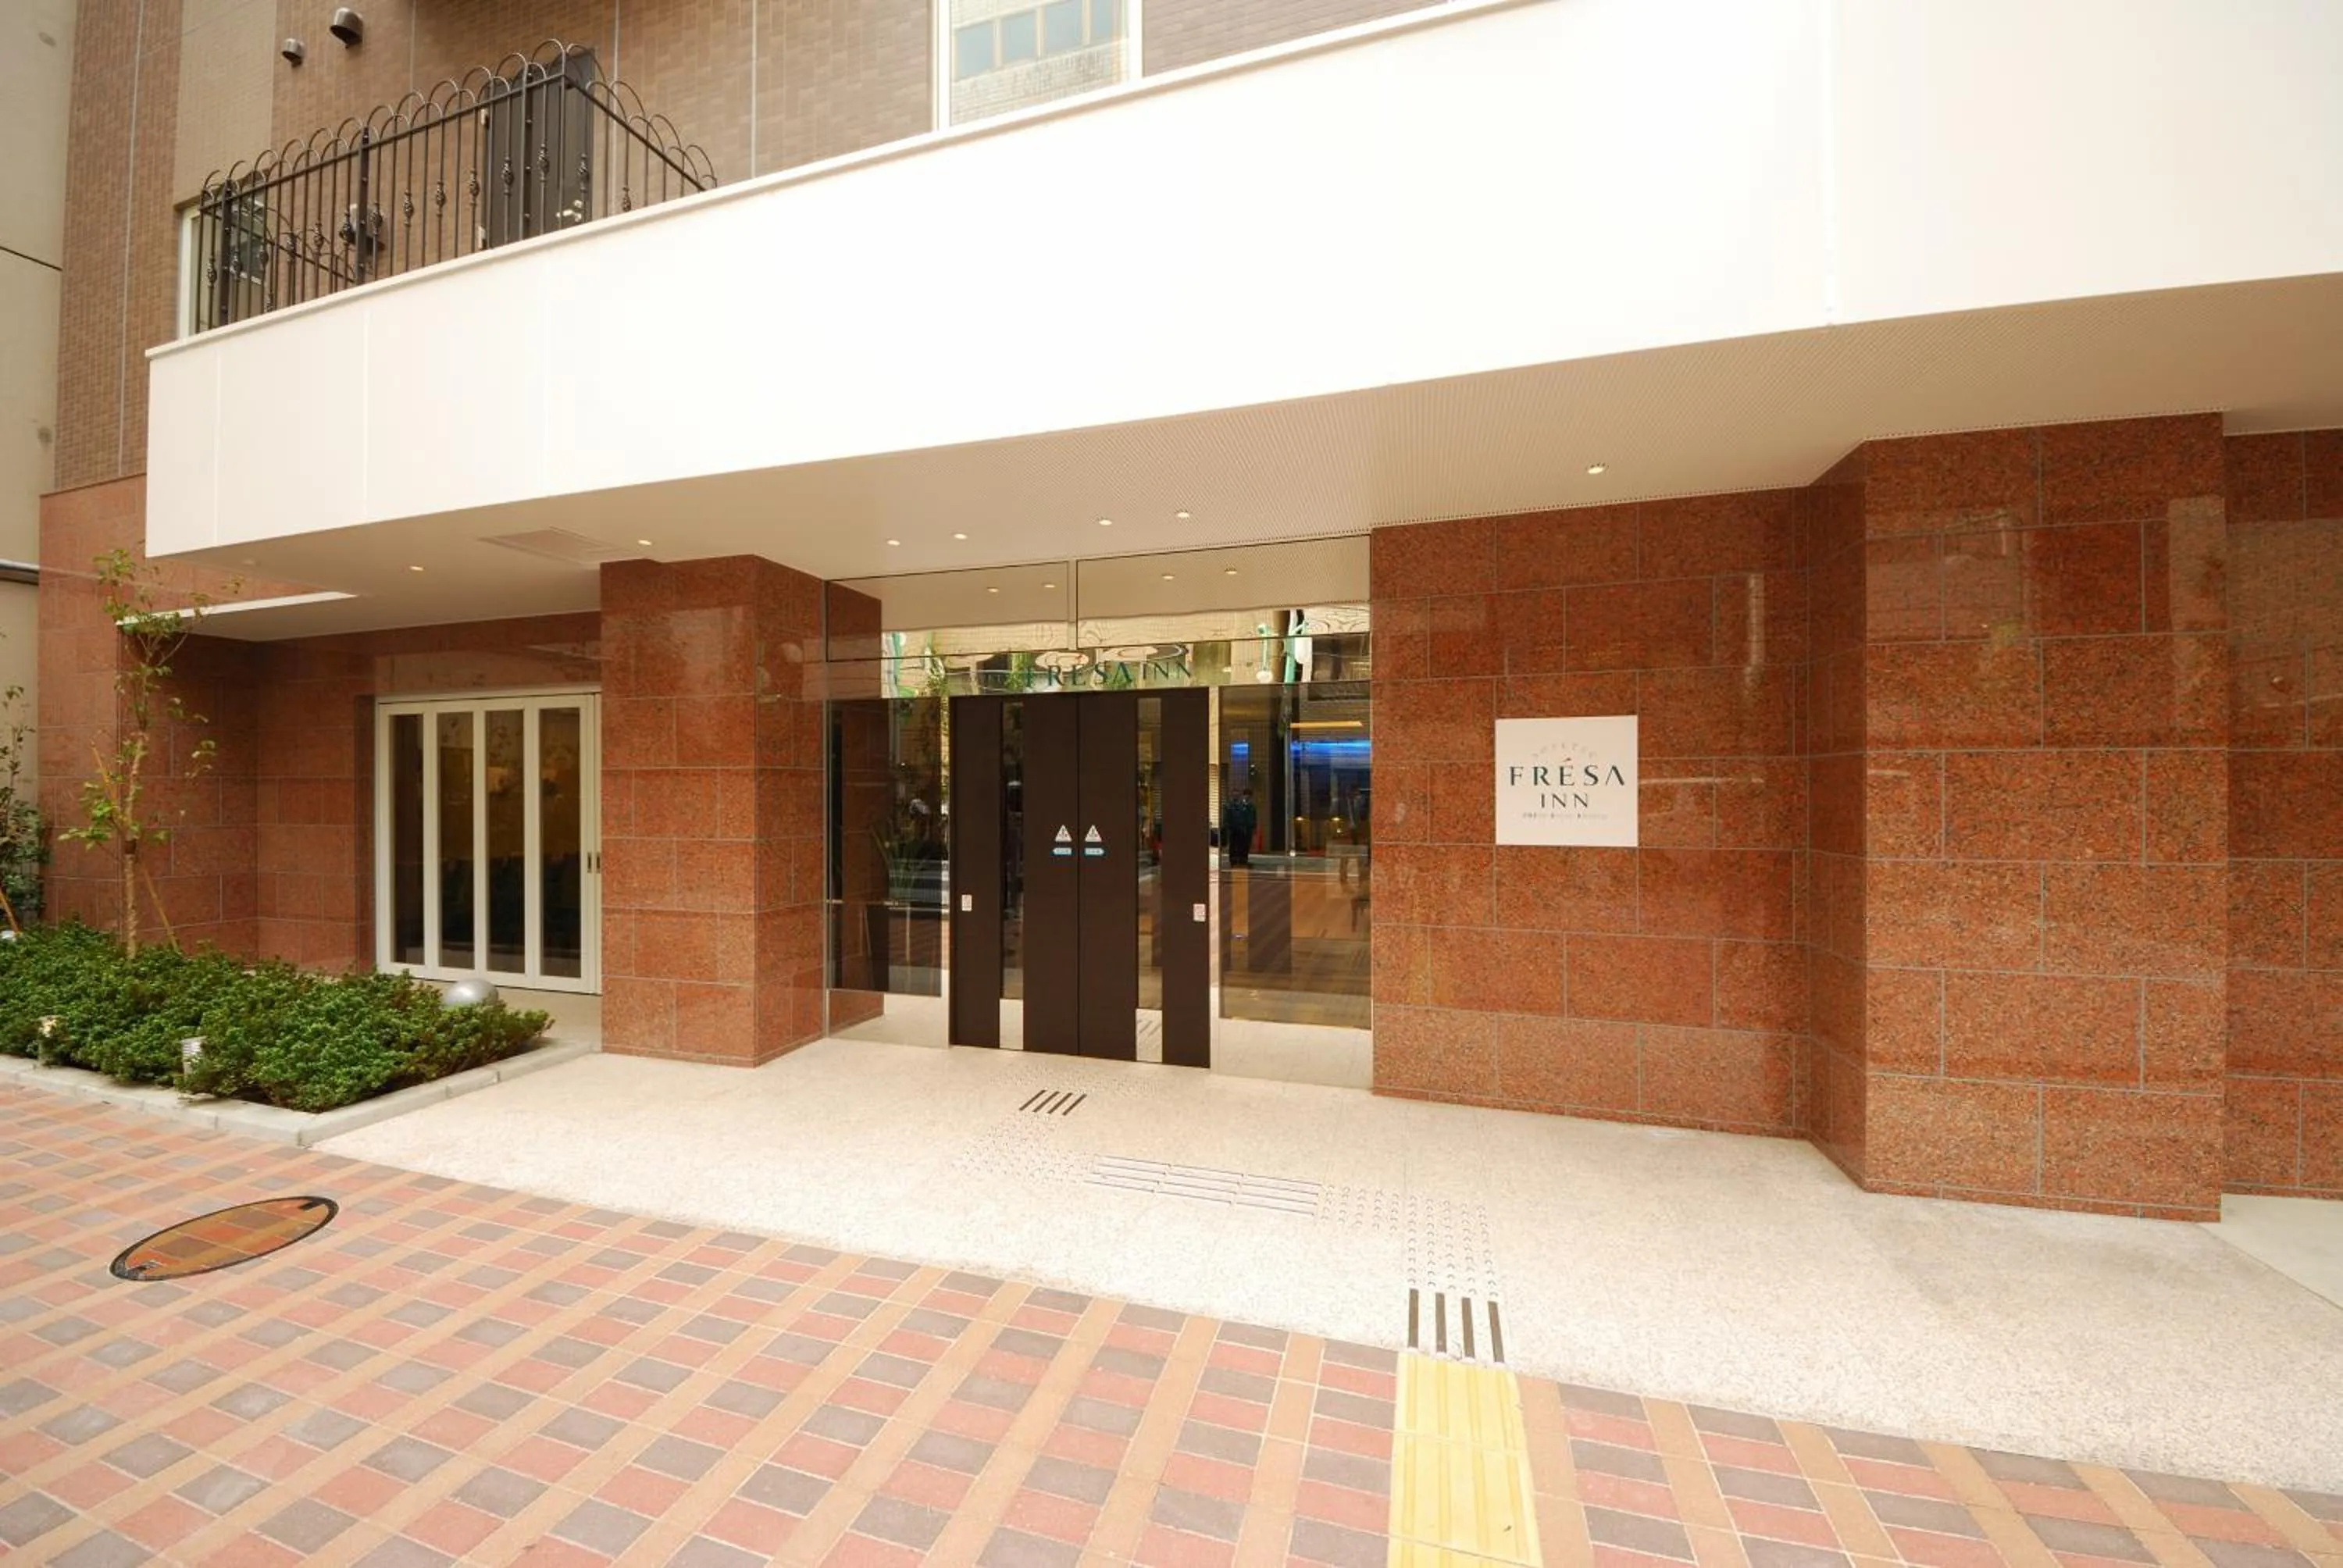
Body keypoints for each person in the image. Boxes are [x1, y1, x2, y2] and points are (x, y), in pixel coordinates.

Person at [1223, 790, 1257, 868]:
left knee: (1244, 846)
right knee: (1234, 846)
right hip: (1234, 829)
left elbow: (1252, 818)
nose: (1236, 797)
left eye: (1237, 795)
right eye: (1234, 795)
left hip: (1245, 829)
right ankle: (1234, 861)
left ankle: (1243, 861)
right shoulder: (1229, 806)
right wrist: (1228, 827)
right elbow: (1227, 818)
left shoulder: (1246, 806)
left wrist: (1253, 827)